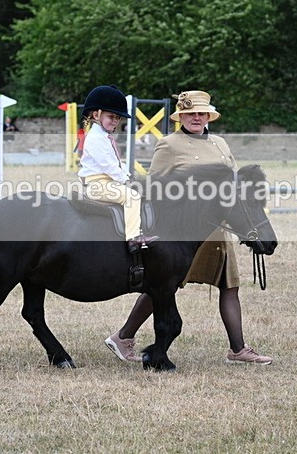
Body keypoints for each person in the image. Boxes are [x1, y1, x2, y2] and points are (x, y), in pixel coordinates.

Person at [104, 90, 273, 365]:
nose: (196, 117)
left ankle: (238, 350)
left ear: (209, 116)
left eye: (201, 113)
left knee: (230, 286)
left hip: (217, 229)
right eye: (190, 113)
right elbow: (155, 186)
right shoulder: (169, 144)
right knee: (162, 285)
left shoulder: (220, 143)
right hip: (183, 231)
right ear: (180, 116)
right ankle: (123, 337)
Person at [78, 85, 158, 253]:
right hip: (97, 185)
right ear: (96, 115)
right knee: (132, 196)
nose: (115, 121)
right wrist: (126, 180)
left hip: (108, 182)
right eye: (111, 116)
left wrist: (129, 176)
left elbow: (117, 164)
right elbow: (109, 165)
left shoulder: (104, 137)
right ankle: (133, 238)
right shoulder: (95, 138)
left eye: (117, 118)